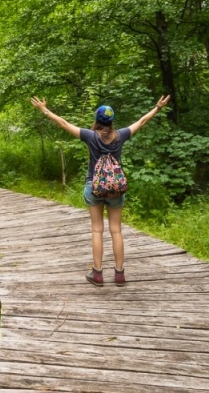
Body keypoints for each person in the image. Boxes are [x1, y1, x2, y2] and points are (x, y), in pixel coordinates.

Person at [30, 95, 171, 287]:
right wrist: (158, 107)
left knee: (97, 230)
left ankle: (97, 274)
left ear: (97, 121)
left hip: (93, 187)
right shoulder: (120, 135)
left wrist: (44, 110)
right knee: (116, 231)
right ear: (112, 122)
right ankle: (119, 274)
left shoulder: (90, 136)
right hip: (116, 190)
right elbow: (142, 121)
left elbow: (64, 124)